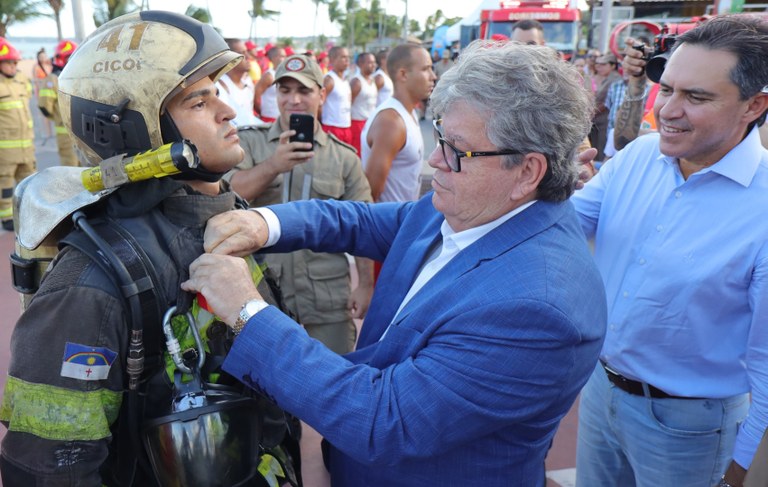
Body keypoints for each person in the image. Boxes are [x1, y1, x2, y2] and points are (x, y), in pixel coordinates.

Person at [181, 40, 606, 487]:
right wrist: (264, 223)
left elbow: (383, 419)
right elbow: (360, 221)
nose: (435, 159)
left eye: (457, 149)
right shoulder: (470, 204)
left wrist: (247, 312)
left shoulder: (538, 306)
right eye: (439, 135)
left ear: (527, 172)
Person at [0, 12, 298, 486]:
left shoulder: (226, 221)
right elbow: (49, 470)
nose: (228, 113)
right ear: (133, 130)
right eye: (199, 102)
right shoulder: (91, 282)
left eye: (217, 94)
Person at [572, 15, 768, 487]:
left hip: (690, 430)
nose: (668, 110)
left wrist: (741, 471)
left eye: (696, 97)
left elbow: (766, 365)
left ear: (754, 106)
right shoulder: (638, 156)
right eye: (668, 88)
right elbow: (564, 227)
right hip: (599, 391)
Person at [225, 53, 374, 354]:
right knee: (263, 383)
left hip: (326, 294)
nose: (294, 99)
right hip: (261, 290)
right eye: (285, 90)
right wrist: (273, 165)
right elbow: (231, 193)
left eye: (304, 90)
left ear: (322, 94)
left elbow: (364, 226)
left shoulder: (343, 157)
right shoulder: (250, 143)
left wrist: (366, 284)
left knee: (335, 378)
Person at [361, 44, 435, 203]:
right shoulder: (391, 121)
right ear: (403, 74)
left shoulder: (408, 112)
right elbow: (369, 195)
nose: (432, 76)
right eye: (425, 69)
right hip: (388, 225)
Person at [0, 37, 35, 232]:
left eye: (15, 63)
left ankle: (29, 215)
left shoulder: (22, 80)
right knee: (4, 184)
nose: (14, 67)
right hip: (5, 148)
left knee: (29, 182)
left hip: (26, 145)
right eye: (9, 63)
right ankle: (6, 218)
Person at [38, 39, 79, 167]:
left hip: (84, 133)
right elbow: (44, 107)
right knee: (70, 169)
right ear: (60, 59)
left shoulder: (79, 75)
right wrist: (58, 118)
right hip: (65, 134)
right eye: (69, 57)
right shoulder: (53, 79)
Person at [216, 37, 262, 126]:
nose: (248, 57)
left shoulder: (248, 82)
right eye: (242, 53)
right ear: (228, 58)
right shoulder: (220, 87)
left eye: (247, 52)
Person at [590, 53, 621, 162]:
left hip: (605, 119)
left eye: (603, 64)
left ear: (612, 66)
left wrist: (592, 113)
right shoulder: (602, 77)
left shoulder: (615, 79)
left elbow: (607, 102)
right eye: (597, 64)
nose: (599, 67)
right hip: (595, 118)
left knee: (602, 149)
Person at [321, 46, 353, 145]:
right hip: (332, 127)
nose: (347, 60)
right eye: (343, 57)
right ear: (332, 60)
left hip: (346, 126)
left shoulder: (344, 80)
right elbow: (318, 104)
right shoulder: (329, 80)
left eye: (348, 57)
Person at [349, 52, 377, 156]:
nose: (373, 65)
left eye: (374, 62)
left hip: (370, 122)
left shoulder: (372, 80)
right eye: (370, 62)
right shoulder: (356, 82)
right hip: (357, 124)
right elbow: (348, 104)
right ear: (360, 64)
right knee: (359, 155)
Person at [253, 45, 286, 123]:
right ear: (274, 58)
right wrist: (263, 112)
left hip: (281, 118)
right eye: (282, 56)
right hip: (269, 118)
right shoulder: (268, 76)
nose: (285, 59)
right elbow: (256, 96)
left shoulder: (285, 74)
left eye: (285, 56)